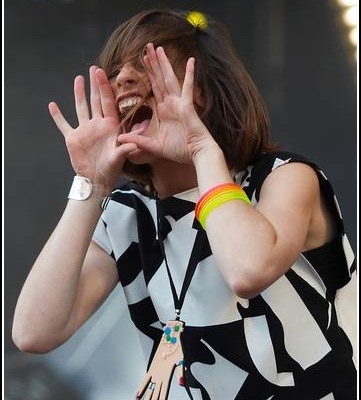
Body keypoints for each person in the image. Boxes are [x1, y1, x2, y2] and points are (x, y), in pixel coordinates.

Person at [12, 8, 356, 400]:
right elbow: (33, 331)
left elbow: (248, 269)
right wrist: (90, 184)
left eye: (146, 65)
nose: (123, 78)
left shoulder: (283, 178)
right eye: (117, 71)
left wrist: (199, 147)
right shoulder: (126, 215)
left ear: (201, 95)